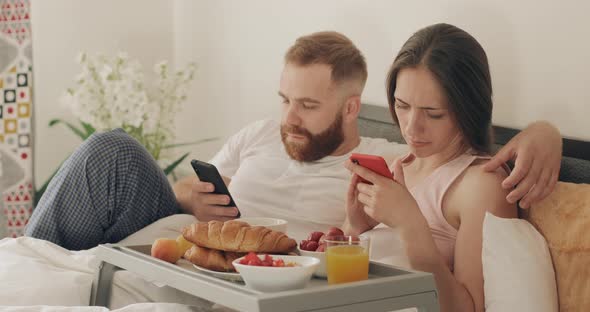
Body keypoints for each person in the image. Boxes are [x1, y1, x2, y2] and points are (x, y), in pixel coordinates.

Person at [26, 30, 562, 251]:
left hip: (257, 265)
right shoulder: (259, 133)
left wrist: (545, 132)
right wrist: (189, 196)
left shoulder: (395, 161)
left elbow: (473, 159)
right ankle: (27, 257)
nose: (289, 118)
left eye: (307, 106)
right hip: (185, 233)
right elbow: (187, 186)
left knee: (112, 154)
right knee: (112, 151)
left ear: (351, 107)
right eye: (284, 100)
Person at [342, 23, 549, 312]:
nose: (412, 128)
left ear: (468, 110)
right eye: (402, 105)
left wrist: (409, 224)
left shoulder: (480, 185)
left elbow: (467, 308)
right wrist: (354, 227)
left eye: (434, 113)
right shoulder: (399, 166)